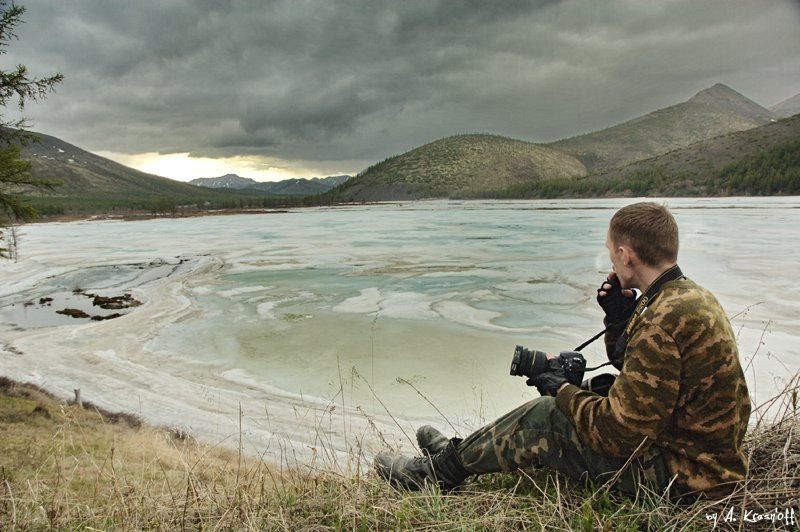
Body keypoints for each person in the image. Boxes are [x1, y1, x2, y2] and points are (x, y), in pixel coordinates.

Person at [374, 202, 751, 498]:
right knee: (596, 389)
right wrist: (619, 321)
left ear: (626, 254)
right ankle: (461, 452)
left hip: (687, 478)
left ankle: (438, 474)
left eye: (610, 253)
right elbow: (648, 374)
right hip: (704, 459)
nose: (610, 261)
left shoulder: (662, 319)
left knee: (549, 414)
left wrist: (561, 391)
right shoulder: (687, 296)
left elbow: (618, 436)